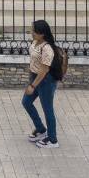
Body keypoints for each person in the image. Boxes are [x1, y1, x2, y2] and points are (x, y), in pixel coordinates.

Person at [22, 19, 60, 148]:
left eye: (34, 31)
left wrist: (33, 86)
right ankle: (41, 129)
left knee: (47, 109)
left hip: (45, 80)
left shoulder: (47, 48)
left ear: (42, 34)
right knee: (26, 102)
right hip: (35, 77)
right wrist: (31, 80)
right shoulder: (35, 42)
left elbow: (44, 70)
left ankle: (53, 139)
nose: (32, 33)